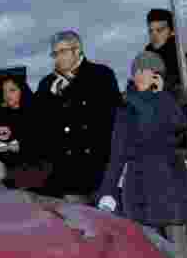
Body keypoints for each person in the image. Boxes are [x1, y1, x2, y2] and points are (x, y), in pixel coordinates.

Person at [97, 51, 187, 258]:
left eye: (146, 70)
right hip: (139, 185)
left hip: (171, 182)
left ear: (157, 74)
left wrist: (161, 96)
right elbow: (118, 153)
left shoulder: (172, 100)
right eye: (136, 71)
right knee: (148, 251)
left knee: (179, 249)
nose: (139, 75)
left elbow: (178, 125)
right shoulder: (126, 107)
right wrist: (108, 190)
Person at [33, 30, 123, 203]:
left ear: (77, 51)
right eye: (55, 53)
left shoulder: (101, 75)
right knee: (79, 225)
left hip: (100, 169)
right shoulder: (47, 84)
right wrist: (52, 96)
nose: (58, 57)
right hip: (67, 173)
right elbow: (39, 123)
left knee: (107, 225)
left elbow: (114, 119)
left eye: (63, 51)